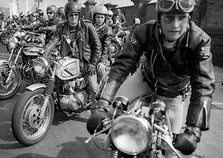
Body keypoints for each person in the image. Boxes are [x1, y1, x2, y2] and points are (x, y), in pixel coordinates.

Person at [86, 0, 215, 156]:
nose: (175, 25)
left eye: (181, 18)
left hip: (174, 94)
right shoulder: (145, 30)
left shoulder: (200, 41)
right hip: (144, 80)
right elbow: (122, 65)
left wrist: (194, 129)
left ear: (189, 17)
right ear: (160, 18)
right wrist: (102, 104)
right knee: (111, 114)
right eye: (169, 18)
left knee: (171, 151)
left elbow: (203, 86)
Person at [43, 1, 101, 108]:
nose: (73, 17)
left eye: (76, 15)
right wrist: (44, 54)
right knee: (51, 78)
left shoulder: (87, 26)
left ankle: (98, 110)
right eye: (71, 15)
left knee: (93, 88)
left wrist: (93, 63)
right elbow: (53, 41)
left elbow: (97, 46)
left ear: (79, 15)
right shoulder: (61, 28)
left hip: (85, 62)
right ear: (67, 16)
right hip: (67, 61)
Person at [91, 4, 112, 86]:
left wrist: (102, 62)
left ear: (105, 18)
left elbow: (106, 48)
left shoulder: (107, 30)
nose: (100, 19)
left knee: (100, 70)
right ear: (94, 17)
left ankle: (100, 85)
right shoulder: (91, 27)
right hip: (90, 55)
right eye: (98, 17)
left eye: (102, 17)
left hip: (101, 56)